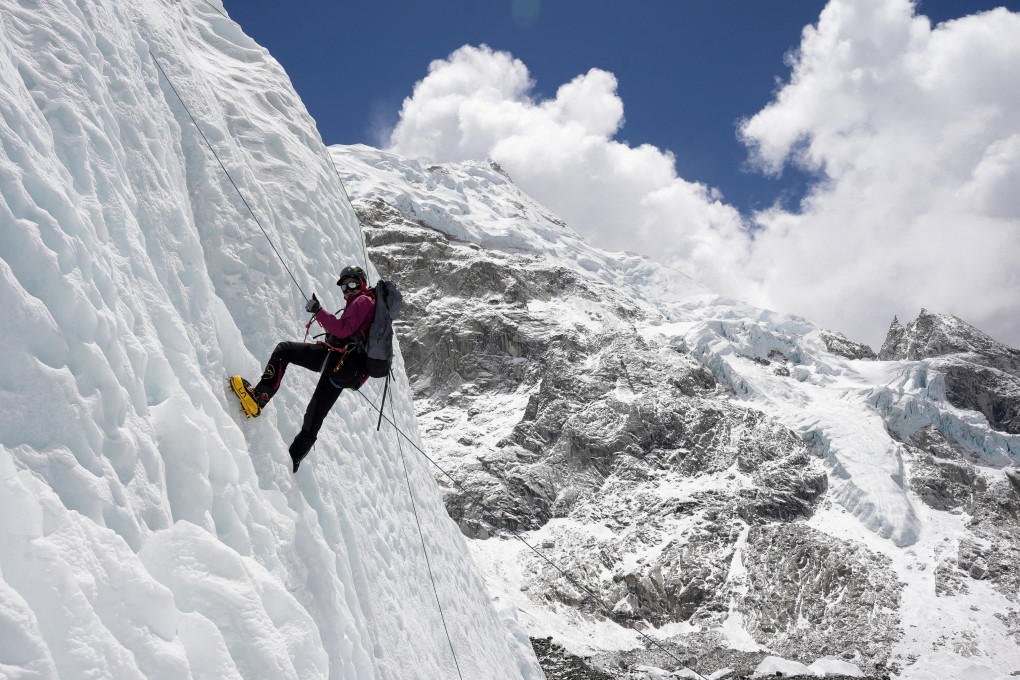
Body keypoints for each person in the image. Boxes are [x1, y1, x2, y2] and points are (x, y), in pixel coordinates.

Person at [231, 265, 375, 472]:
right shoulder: (367, 303)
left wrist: (318, 311)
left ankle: (259, 398)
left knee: (284, 350)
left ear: (362, 283)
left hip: (337, 360)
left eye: (352, 284)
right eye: (344, 287)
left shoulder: (362, 301)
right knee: (315, 413)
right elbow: (349, 332)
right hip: (347, 371)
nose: (348, 290)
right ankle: (294, 458)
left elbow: (343, 331)